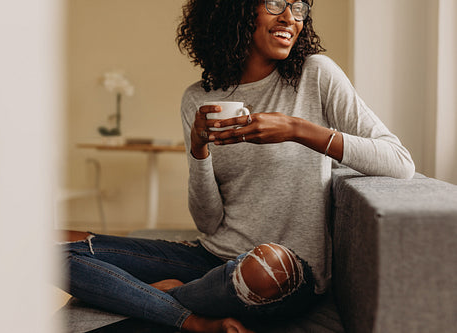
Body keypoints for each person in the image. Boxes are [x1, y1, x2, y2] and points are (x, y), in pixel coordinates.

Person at [57, 1, 415, 332]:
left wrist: (296, 129)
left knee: (264, 271)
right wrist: (199, 150)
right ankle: (188, 313)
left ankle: (163, 301)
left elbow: (399, 162)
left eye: (300, 6)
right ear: (236, 9)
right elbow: (207, 222)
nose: (290, 17)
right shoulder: (199, 98)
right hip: (211, 257)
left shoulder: (315, 75)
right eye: (275, 2)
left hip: (286, 271)